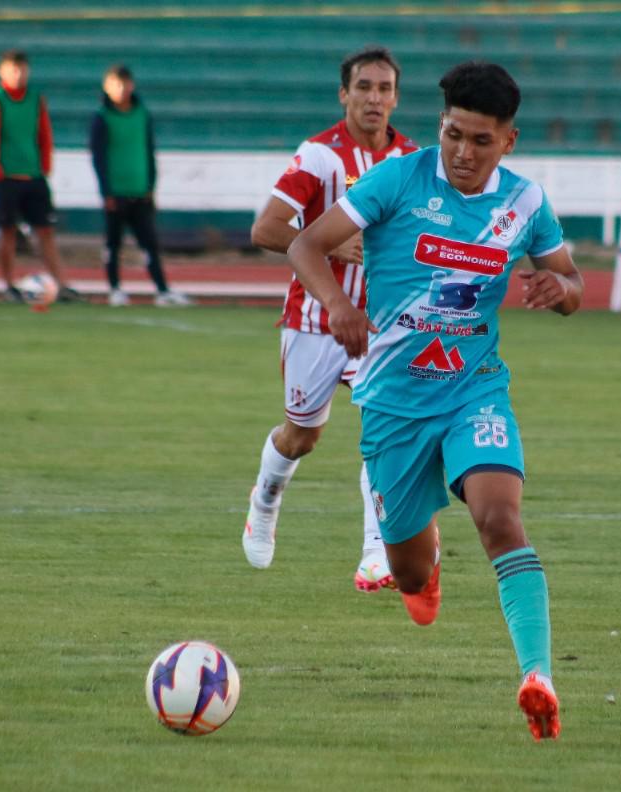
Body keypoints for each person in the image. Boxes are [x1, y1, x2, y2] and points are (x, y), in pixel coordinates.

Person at [287, 60, 583, 741]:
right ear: (440, 125)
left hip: (473, 389)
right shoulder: (397, 177)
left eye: (481, 140)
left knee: (501, 520)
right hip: (392, 404)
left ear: (508, 141)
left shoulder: (525, 204)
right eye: (453, 133)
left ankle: (538, 677)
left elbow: (571, 283)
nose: (462, 151)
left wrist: (558, 292)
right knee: (408, 572)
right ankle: (425, 572)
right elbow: (307, 244)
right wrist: (335, 303)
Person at [242, 47, 418, 593]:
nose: (374, 98)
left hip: (384, 325)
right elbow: (267, 229)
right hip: (317, 319)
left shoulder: (414, 160)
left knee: (385, 431)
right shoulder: (321, 156)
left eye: (384, 88)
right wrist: (334, 244)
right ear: (344, 93)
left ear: (395, 96)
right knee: (301, 436)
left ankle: (375, 553)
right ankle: (264, 501)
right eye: (363, 87)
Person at [0, 49, 82, 303]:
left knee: (45, 231)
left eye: (22, 69)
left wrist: (44, 167)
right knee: (8, 232)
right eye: (13, 69)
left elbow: (44, 135)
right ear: (1, 71)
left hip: (34, 176)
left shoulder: (36, 99)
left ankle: (60, 284)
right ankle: (9, 285)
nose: (19, 74)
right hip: (7, 177)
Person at [89, 64, 190, 308]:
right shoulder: (101, 117)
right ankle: (114, 289)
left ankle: (162, 291)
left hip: (140, 190)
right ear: (107, 87)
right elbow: (98, 157)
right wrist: (106, 191)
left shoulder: (142, 114)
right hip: (116, 191)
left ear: (131, 85)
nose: (121, 89)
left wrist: (151, 184)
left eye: (125, 83)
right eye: (116, 84)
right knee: (113, 244)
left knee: (150, 244)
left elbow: (149, 150)